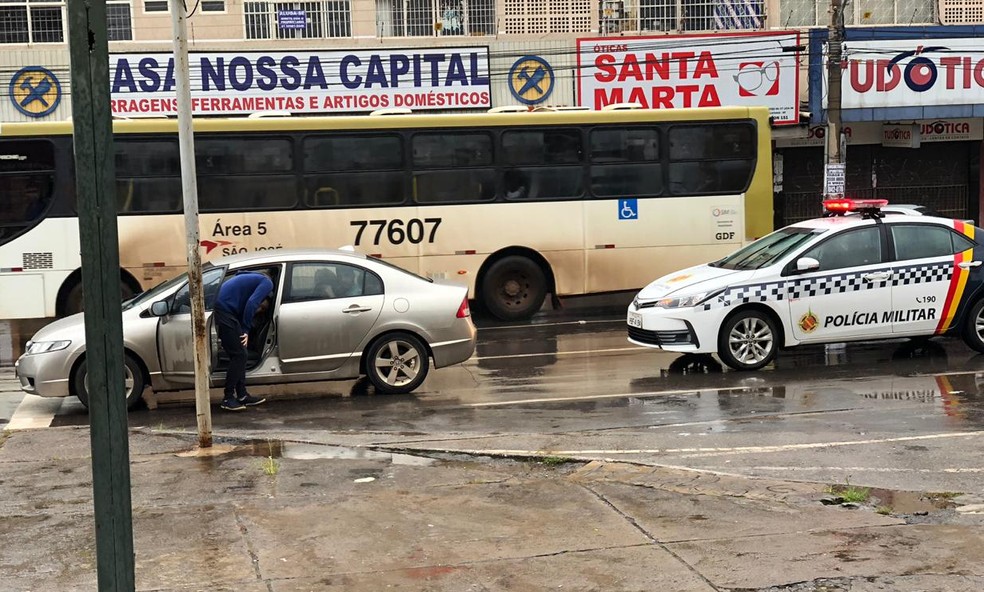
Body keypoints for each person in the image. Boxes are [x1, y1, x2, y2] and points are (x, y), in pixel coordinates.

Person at [214, 271, 274, 411]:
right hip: (225, 310)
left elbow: (238, 275)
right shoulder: (267, 283)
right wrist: (246, 330)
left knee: (241, 354)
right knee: (239, 355)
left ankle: (242, 395)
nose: (258, 311)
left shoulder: (253, 277)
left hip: (224, 308)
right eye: (261, 308)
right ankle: (228, 398)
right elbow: (252, 303)